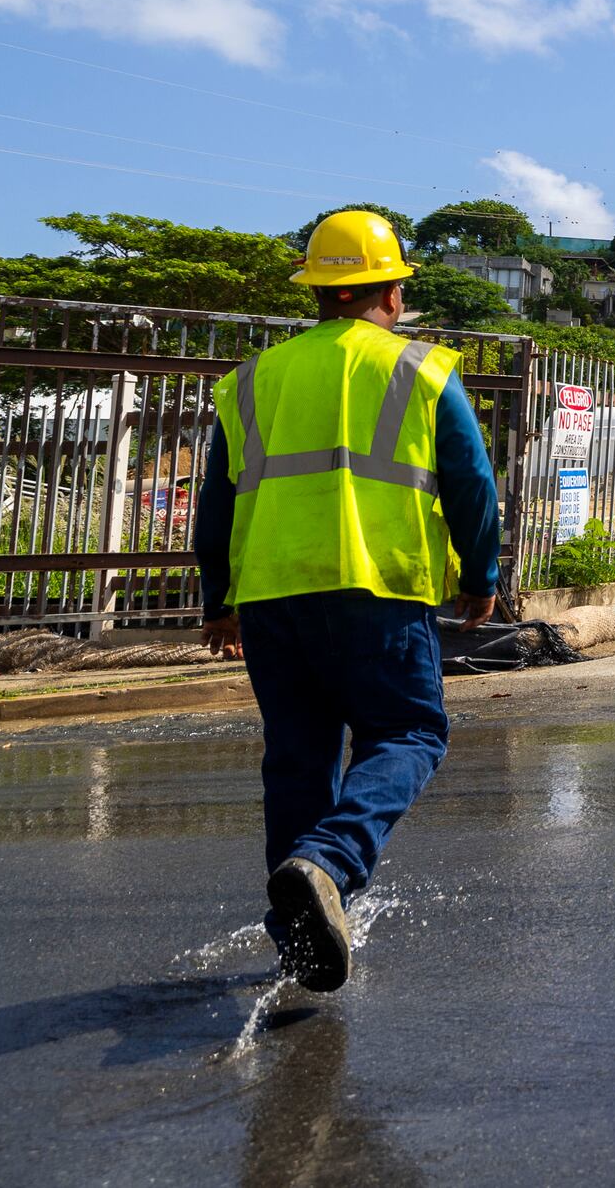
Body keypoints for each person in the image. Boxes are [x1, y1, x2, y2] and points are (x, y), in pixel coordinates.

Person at [193, 209, 503, 993]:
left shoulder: (251, 380)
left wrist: (217, 601)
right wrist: (482, 574)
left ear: (319, 292)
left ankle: (297, 939)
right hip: (377, 587)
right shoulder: (419, 369)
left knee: (297, 760)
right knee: (409, 732)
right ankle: (325, 864)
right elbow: (471, 481)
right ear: (391, 292)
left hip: (270, 596)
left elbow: (215, 505)